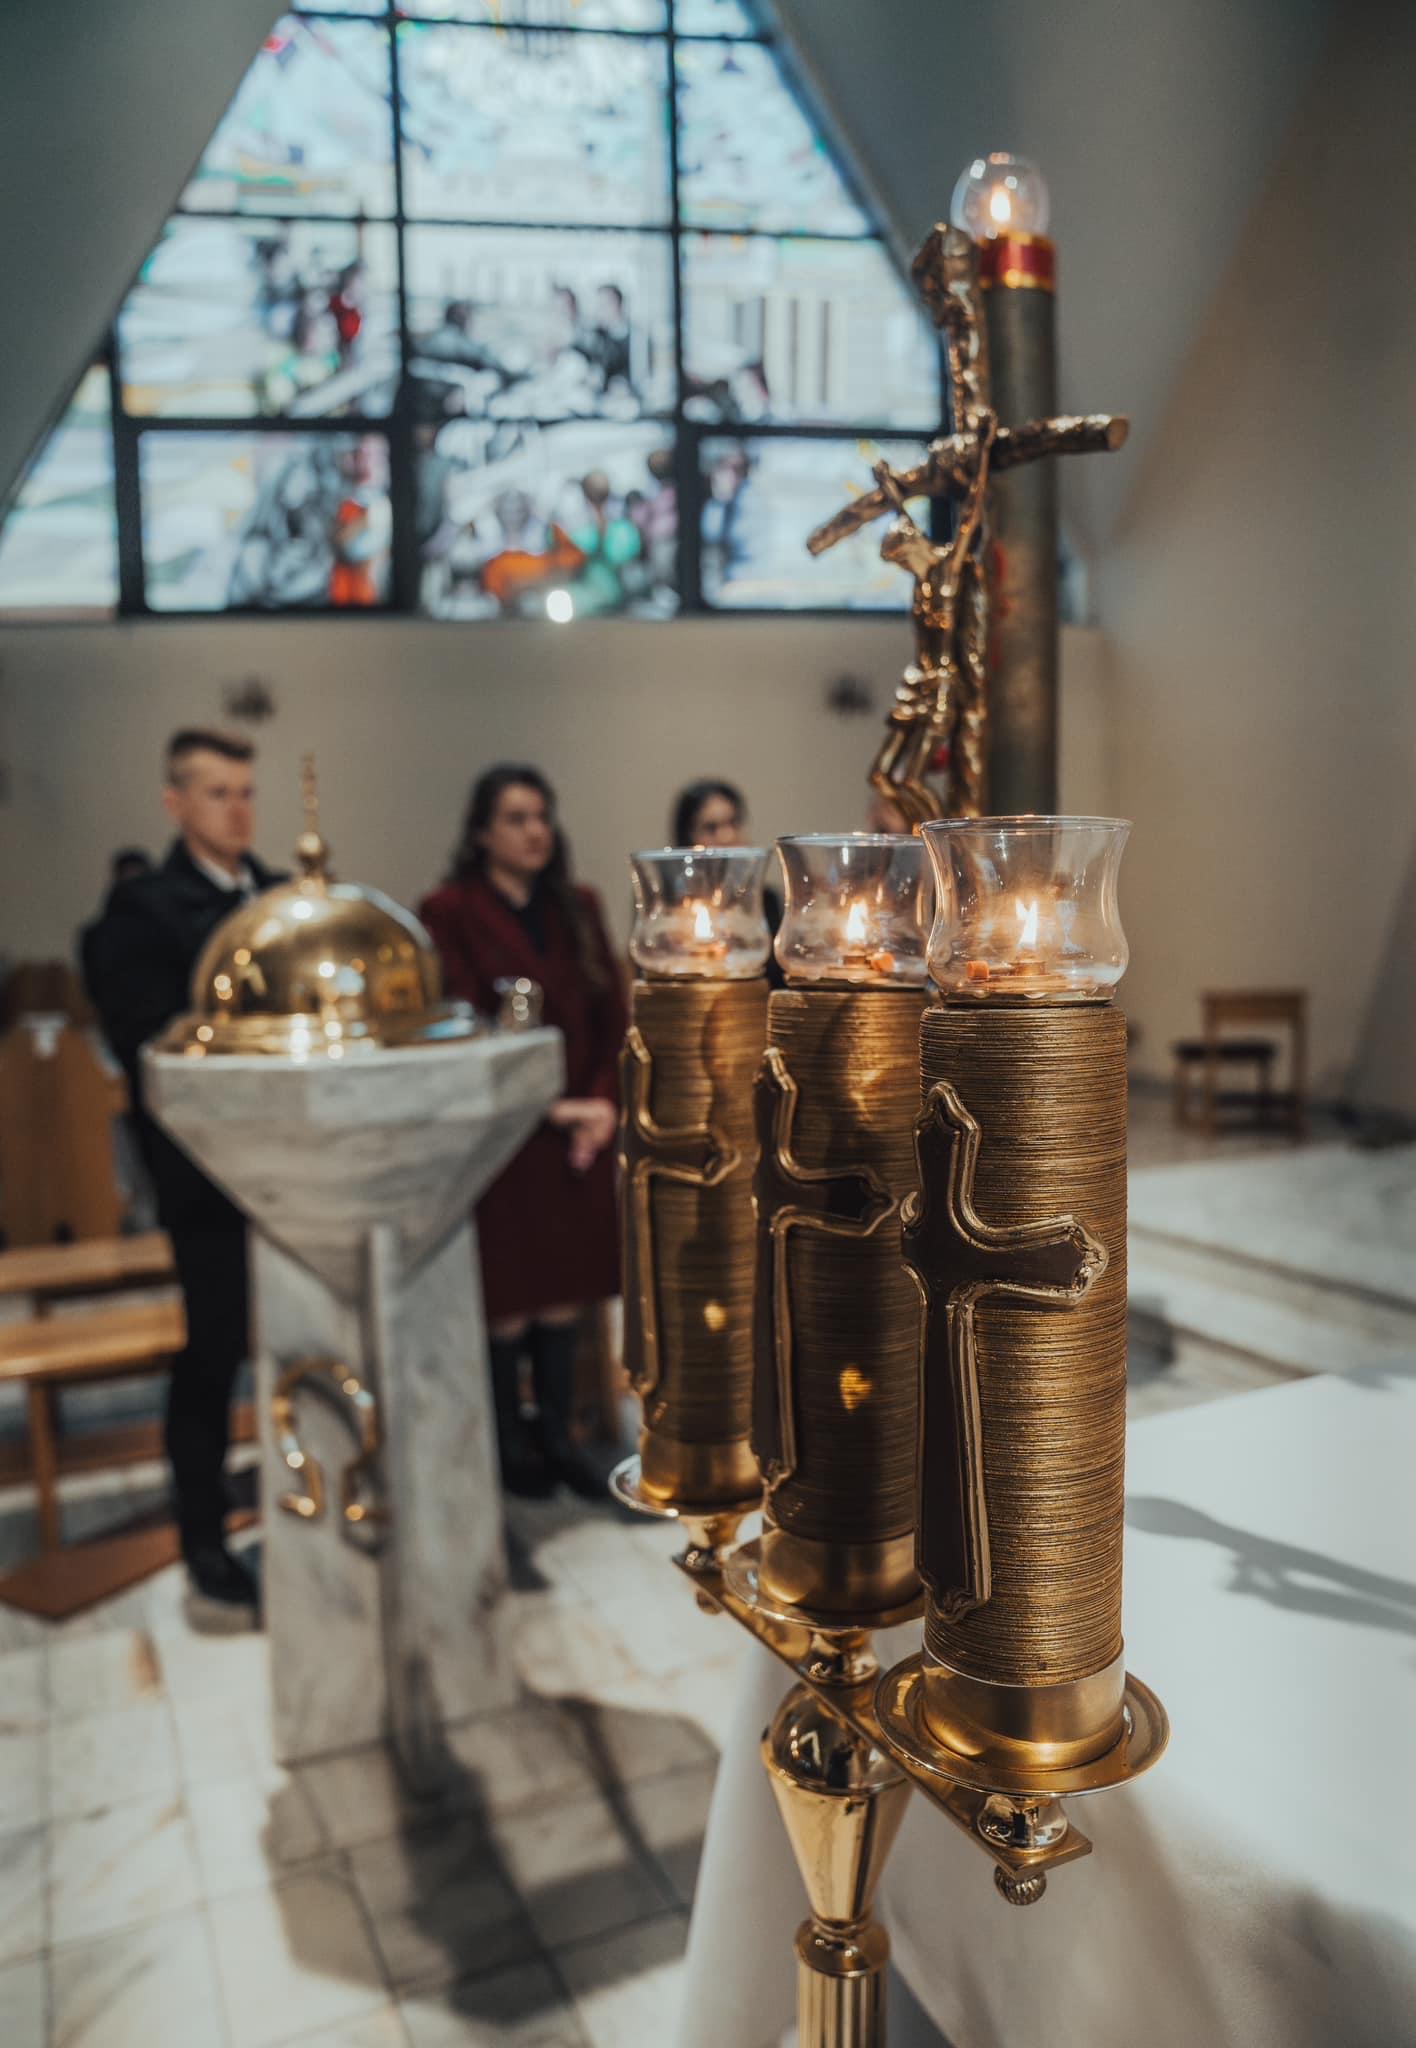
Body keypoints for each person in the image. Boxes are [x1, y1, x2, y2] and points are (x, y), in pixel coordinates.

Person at [83, 731, 283, 1609]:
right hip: (205, 1175)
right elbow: (151, 1040)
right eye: (215, 793)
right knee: (212, 1353)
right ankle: (202, 1532)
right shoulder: (141, 912)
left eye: (244, 791)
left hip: (291, 1163)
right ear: (175, 804)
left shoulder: (280, 899)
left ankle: (297, 1501)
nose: (236, 809)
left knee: (294, 1347)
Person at [420, 767, 626, 1499]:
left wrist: (601, 1104)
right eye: (515, 817)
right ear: (481, 834)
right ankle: (509, 1445)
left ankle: (561, 1439)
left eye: (542, 814)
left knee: (565, 1294)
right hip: (505, 1136)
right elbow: (459, 1018)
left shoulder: (578, 905)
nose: (535, 830)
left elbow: (610, 1014)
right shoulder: (449, 911)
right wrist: (548, 1108)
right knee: (508, 1303)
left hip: (581, 1136)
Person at [670, 779, 784, 987]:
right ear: (688, 836)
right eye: (711, 828)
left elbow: (775, 979)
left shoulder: (764, 899)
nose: (726, 836)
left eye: (733, 823)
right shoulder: (669, 901)